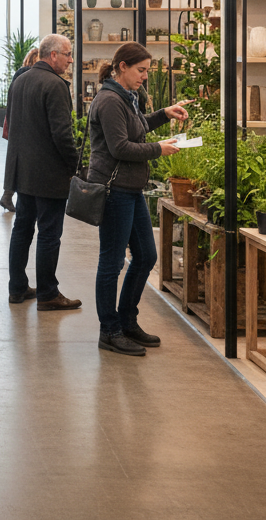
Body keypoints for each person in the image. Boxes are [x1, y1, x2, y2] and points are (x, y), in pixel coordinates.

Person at [89, 42, 189, 356]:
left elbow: (137, 127)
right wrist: (159, 148)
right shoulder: (109, 100)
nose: (144, 77)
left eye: (147, 71)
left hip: (130, 189)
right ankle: (110, 330)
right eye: (140, 70)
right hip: (114, 190)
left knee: (146, 256)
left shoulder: (126, 97)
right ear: (122, 67)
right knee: (112, 262)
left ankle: (127, 321)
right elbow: (120, 147)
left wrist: (164, 114)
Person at [2, 34, 82, 310]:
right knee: (49, 233)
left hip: (22, 171)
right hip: (48, 173)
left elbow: (10, 126)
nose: (71, 60)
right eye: (68, 54)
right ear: (53, 55)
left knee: (22, 228)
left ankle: (17, 287)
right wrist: (76, 166)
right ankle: (48, 293)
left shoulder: (20, 80)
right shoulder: (56, 85)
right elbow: (62, 135)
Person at [0, 47, 40, 213]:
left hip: (18, 122)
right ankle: (10, 196)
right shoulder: (28, 74)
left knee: (16, 161)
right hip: (25, 124)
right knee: (22, 162)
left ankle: (8, 195)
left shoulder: (20, 73)